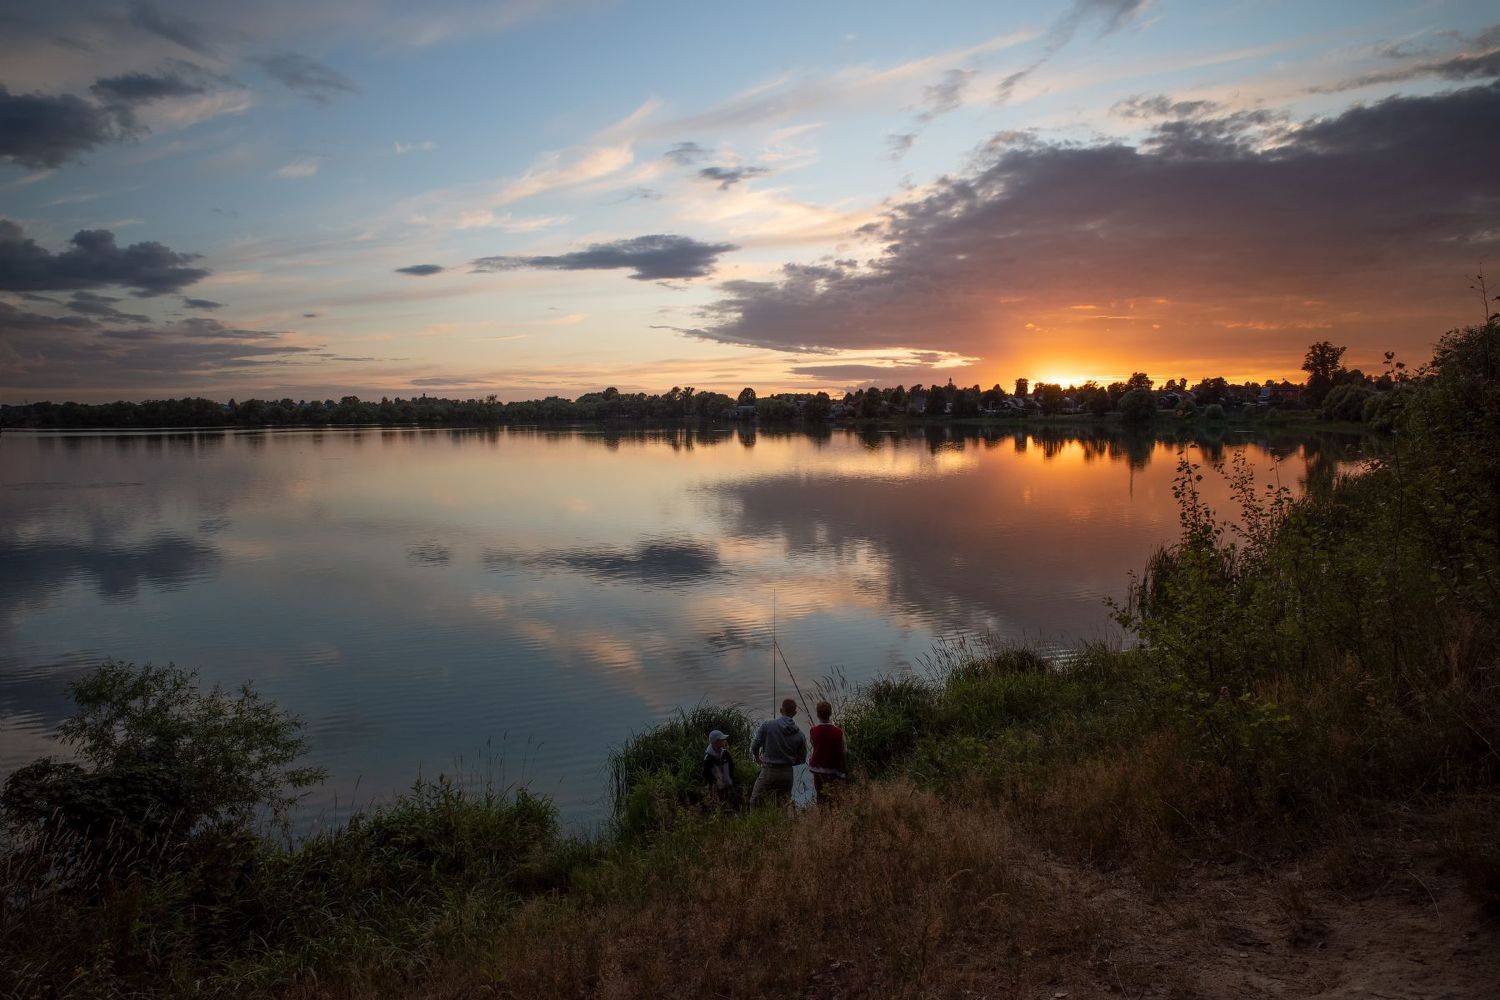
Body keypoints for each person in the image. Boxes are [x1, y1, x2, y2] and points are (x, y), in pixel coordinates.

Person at [750, 697, 807, 807]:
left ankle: (757, 823)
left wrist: (758, 758)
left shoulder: (767, 726)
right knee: (783, 804)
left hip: (769, 771)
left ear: (781, 710)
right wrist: (788, 762)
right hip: (787, 773)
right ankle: (783, 823)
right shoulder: (800, 735)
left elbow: (754, 746)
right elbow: (802, 759)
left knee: (755, 801)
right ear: (795, 713)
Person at [807, 700, 846, 803]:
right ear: (830, 713)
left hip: (818, 770)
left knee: (820, 796)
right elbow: (843, 750)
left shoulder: (813, 730)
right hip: (834, 770)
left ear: (818, 714)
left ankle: (822, 816)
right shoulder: (839, 732)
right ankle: (834, 816)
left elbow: (814, 744)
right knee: (834, 796)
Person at [701, 729, 737, 806]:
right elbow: (706, 774)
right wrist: (715, 783)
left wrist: (731, 780)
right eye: (722, 740)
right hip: (715, 788)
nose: (725, 741)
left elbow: (731, 768)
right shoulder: (708, 758)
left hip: (728, 785)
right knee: (717, 805)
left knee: (730, 801)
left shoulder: (725, 753)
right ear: (716, 742)